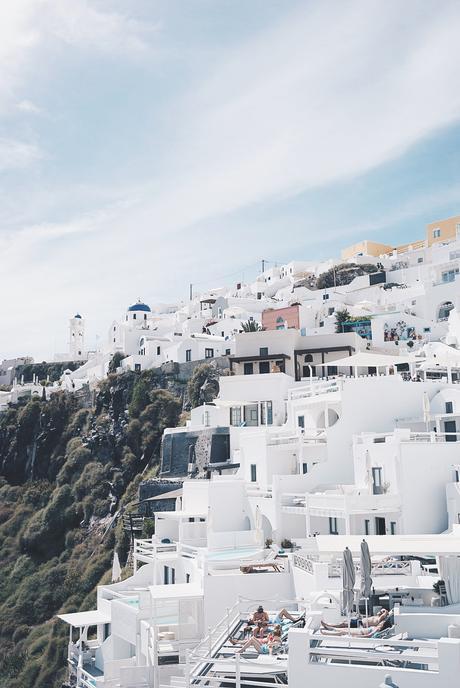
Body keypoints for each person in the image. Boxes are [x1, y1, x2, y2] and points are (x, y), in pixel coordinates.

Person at [320, 617, 392, 638]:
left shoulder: (378, 629)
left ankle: (327, 633)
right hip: (360, 630)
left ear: (383, 624)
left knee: (342, 632)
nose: (382, 622)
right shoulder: (377, 627)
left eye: (383, 622)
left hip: (359, 632)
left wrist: (357, 636)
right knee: (344, 629)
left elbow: (368, 635)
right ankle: (329, 628)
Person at [321, 608, 388, 630]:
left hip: (360, 624)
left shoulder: (378, 619)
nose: (379, 612)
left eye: (381, 612)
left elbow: (386, 613)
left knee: (343, 624)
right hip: (359, 622)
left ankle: (328, 626)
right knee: (344, 622)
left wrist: (385, 611)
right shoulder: (377, 618)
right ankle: (330, 626)